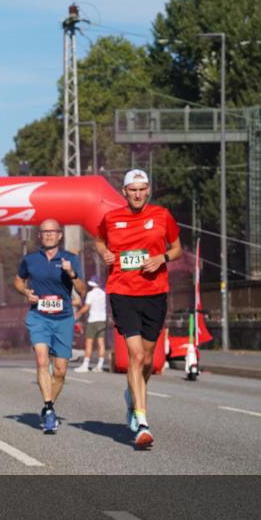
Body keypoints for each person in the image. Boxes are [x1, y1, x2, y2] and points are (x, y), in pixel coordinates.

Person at [95, 169, 182, 449]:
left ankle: (133, 396)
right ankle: (142, 420)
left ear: (149, 190)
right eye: (132, 189)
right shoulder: (111, 218)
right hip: (122, 291)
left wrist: (161, 258)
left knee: (147, 361)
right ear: (124, 191)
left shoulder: (162, 215)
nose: (137, 194)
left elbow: (177, 248)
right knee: (136, 354)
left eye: (142, 189)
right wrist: (104, 253)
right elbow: (98, 239)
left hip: (155, 293)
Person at [13, 220, 86, 434]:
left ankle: (48, 407)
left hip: (63, 318)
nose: (48, 235)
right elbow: (18, 281)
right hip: (39, 317)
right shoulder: (30, 259)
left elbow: (82, 291)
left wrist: (71, 274)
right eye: (44, 232)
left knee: (61, 371)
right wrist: (25, 292)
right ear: (39, 235)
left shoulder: (71, 259)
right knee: (42, 360)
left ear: (59, 235)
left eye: (52, 231)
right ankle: (49, 407)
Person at [76, 279, 107, 372]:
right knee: (101, 343)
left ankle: (85, 365)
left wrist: (78, 313)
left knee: (89, 343)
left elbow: (86, 307)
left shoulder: (91, 294)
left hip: (93, 320)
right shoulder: (103, 293)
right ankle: (100, 365)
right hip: (102, 319)